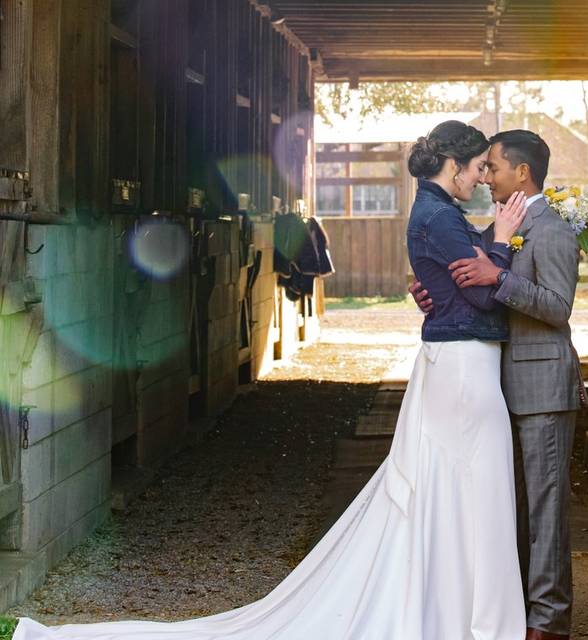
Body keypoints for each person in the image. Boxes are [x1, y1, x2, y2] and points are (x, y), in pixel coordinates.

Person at [12, 120, 529, 640]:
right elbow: (485, 295)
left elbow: (461, 284)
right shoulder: (439, 216)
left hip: (461, 361)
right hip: (463, 366)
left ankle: (455, 609)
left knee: (459, 489)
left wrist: (478, 261)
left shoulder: (441, 214)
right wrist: (503, 243)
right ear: (454, 163)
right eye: (479, 166)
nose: (483, 177)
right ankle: (466, 615)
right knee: (470, 487)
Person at [410, 130, 582, 640]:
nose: (486, 176)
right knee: (516, 509)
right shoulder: (501, 228)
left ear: (522, 174)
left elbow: (558, 307)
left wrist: (497, 279)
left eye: (495, 168)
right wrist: (435, 293)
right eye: (481, 168)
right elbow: (470, 281)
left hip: (544, 386)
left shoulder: (551, 230)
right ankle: (519, 610)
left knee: (547, 509)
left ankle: (549, 623)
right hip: (505, 386)